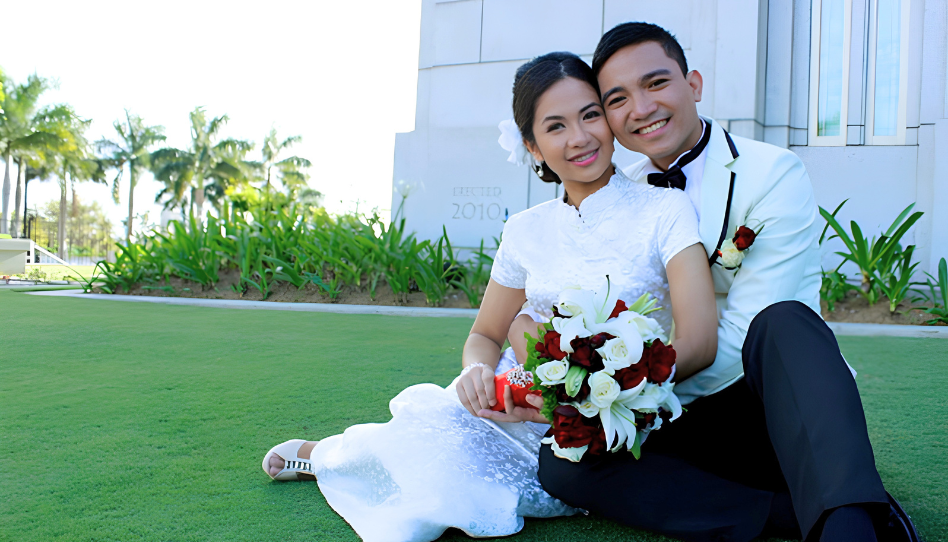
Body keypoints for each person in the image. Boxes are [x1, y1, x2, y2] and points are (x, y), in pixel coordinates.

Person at [260, 51, 720, 542]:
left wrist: (596, 400)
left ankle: (352, 459)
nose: (580, 137)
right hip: (509, 400)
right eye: (556, 126)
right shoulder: (525, 229)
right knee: (427, 440)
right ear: (532, 145)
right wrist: (475, 371)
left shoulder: (664, 209)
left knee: (446, 494)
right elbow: (485, 335)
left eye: (590, 115)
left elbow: (698, 343)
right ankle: (331, 456)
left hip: (612, 411)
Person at [521, 23, 919, 542]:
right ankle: (799, 511)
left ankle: (848, 527)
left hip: (769, 406)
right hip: (671, 410)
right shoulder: (619, 193)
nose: (642, 108)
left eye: (656, 83)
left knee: (785, 323)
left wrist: (631, 386)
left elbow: (750, 325)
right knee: (563, 462)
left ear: (694, 85)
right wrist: (603, 394)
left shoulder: (772, 172)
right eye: (617, 99)